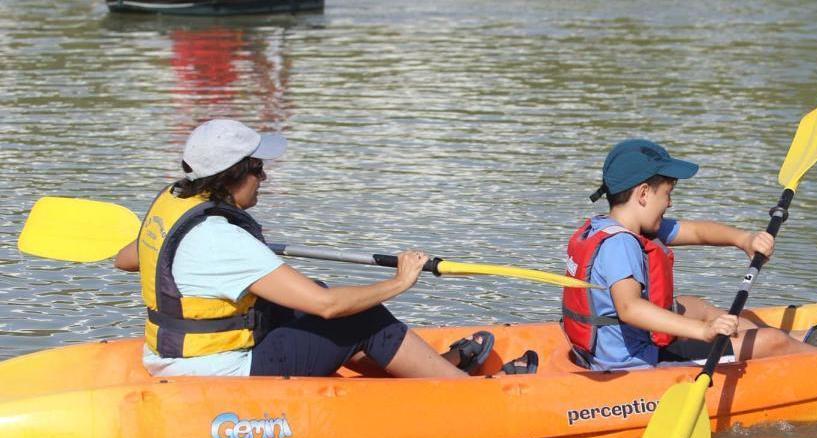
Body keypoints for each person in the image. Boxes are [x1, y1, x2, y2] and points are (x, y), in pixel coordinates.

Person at [113, 119, 537, 378]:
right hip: (215, 371)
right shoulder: (222, 239)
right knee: (359, 314)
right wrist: (399, 281)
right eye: (258, 170)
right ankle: (466, 392)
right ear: (231, 177)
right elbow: (329, 306)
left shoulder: (172, 205)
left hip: (168, 356)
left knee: (300, 293)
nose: (265, 179)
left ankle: (431, 369)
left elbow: (127, 259)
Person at [561, 138, 817, 371]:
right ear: (643, 194)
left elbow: (697, 231)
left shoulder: (607, 227)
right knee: (770, 341)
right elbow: (630, 309)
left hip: (610, 348)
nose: (670, 203)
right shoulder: (621, 245)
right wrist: (703, 331)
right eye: (667, 194)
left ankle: (800, 339)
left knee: (695, 305)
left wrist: (744, 239)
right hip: (636, 362)